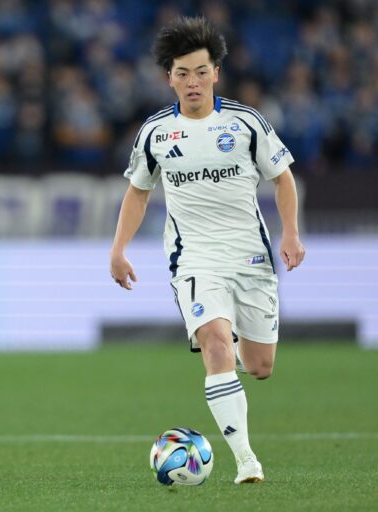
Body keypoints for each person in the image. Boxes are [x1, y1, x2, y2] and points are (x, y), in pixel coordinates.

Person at [109, 16, 305, 484]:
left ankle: (227, 345)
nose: (192, 81)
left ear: (216, 72)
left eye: (201, 71)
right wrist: (118, 249)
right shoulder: (156, 132)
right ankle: (246, 460)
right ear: (169, 78)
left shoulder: (246, 123)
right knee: (216, 343)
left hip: (251, 258)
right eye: (183, 73)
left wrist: (291, 234)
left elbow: (282, 179)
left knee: (260, 366)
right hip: (194, 259)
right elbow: (138, 192)